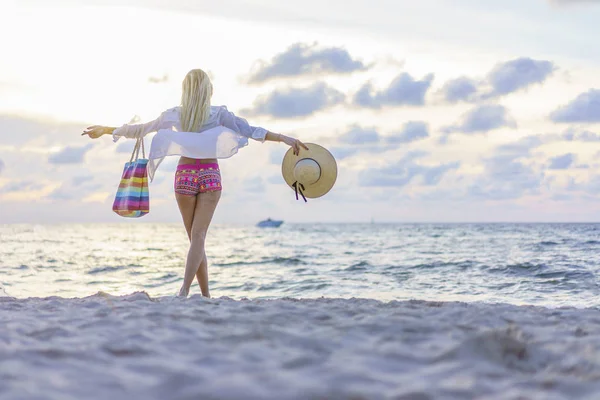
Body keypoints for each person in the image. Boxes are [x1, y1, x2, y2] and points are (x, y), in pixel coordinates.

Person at [82, 69, 308, 298]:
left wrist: (106, 130)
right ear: (209, 90)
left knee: (195, 238)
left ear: (185, 91)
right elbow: (251, 131)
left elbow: (140, 130)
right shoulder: (219, 114)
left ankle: (198, 292)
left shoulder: (174, 115)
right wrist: (283, 138)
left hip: (185, 175)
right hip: (210, 174)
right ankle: (189, 291)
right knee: (198, 237)